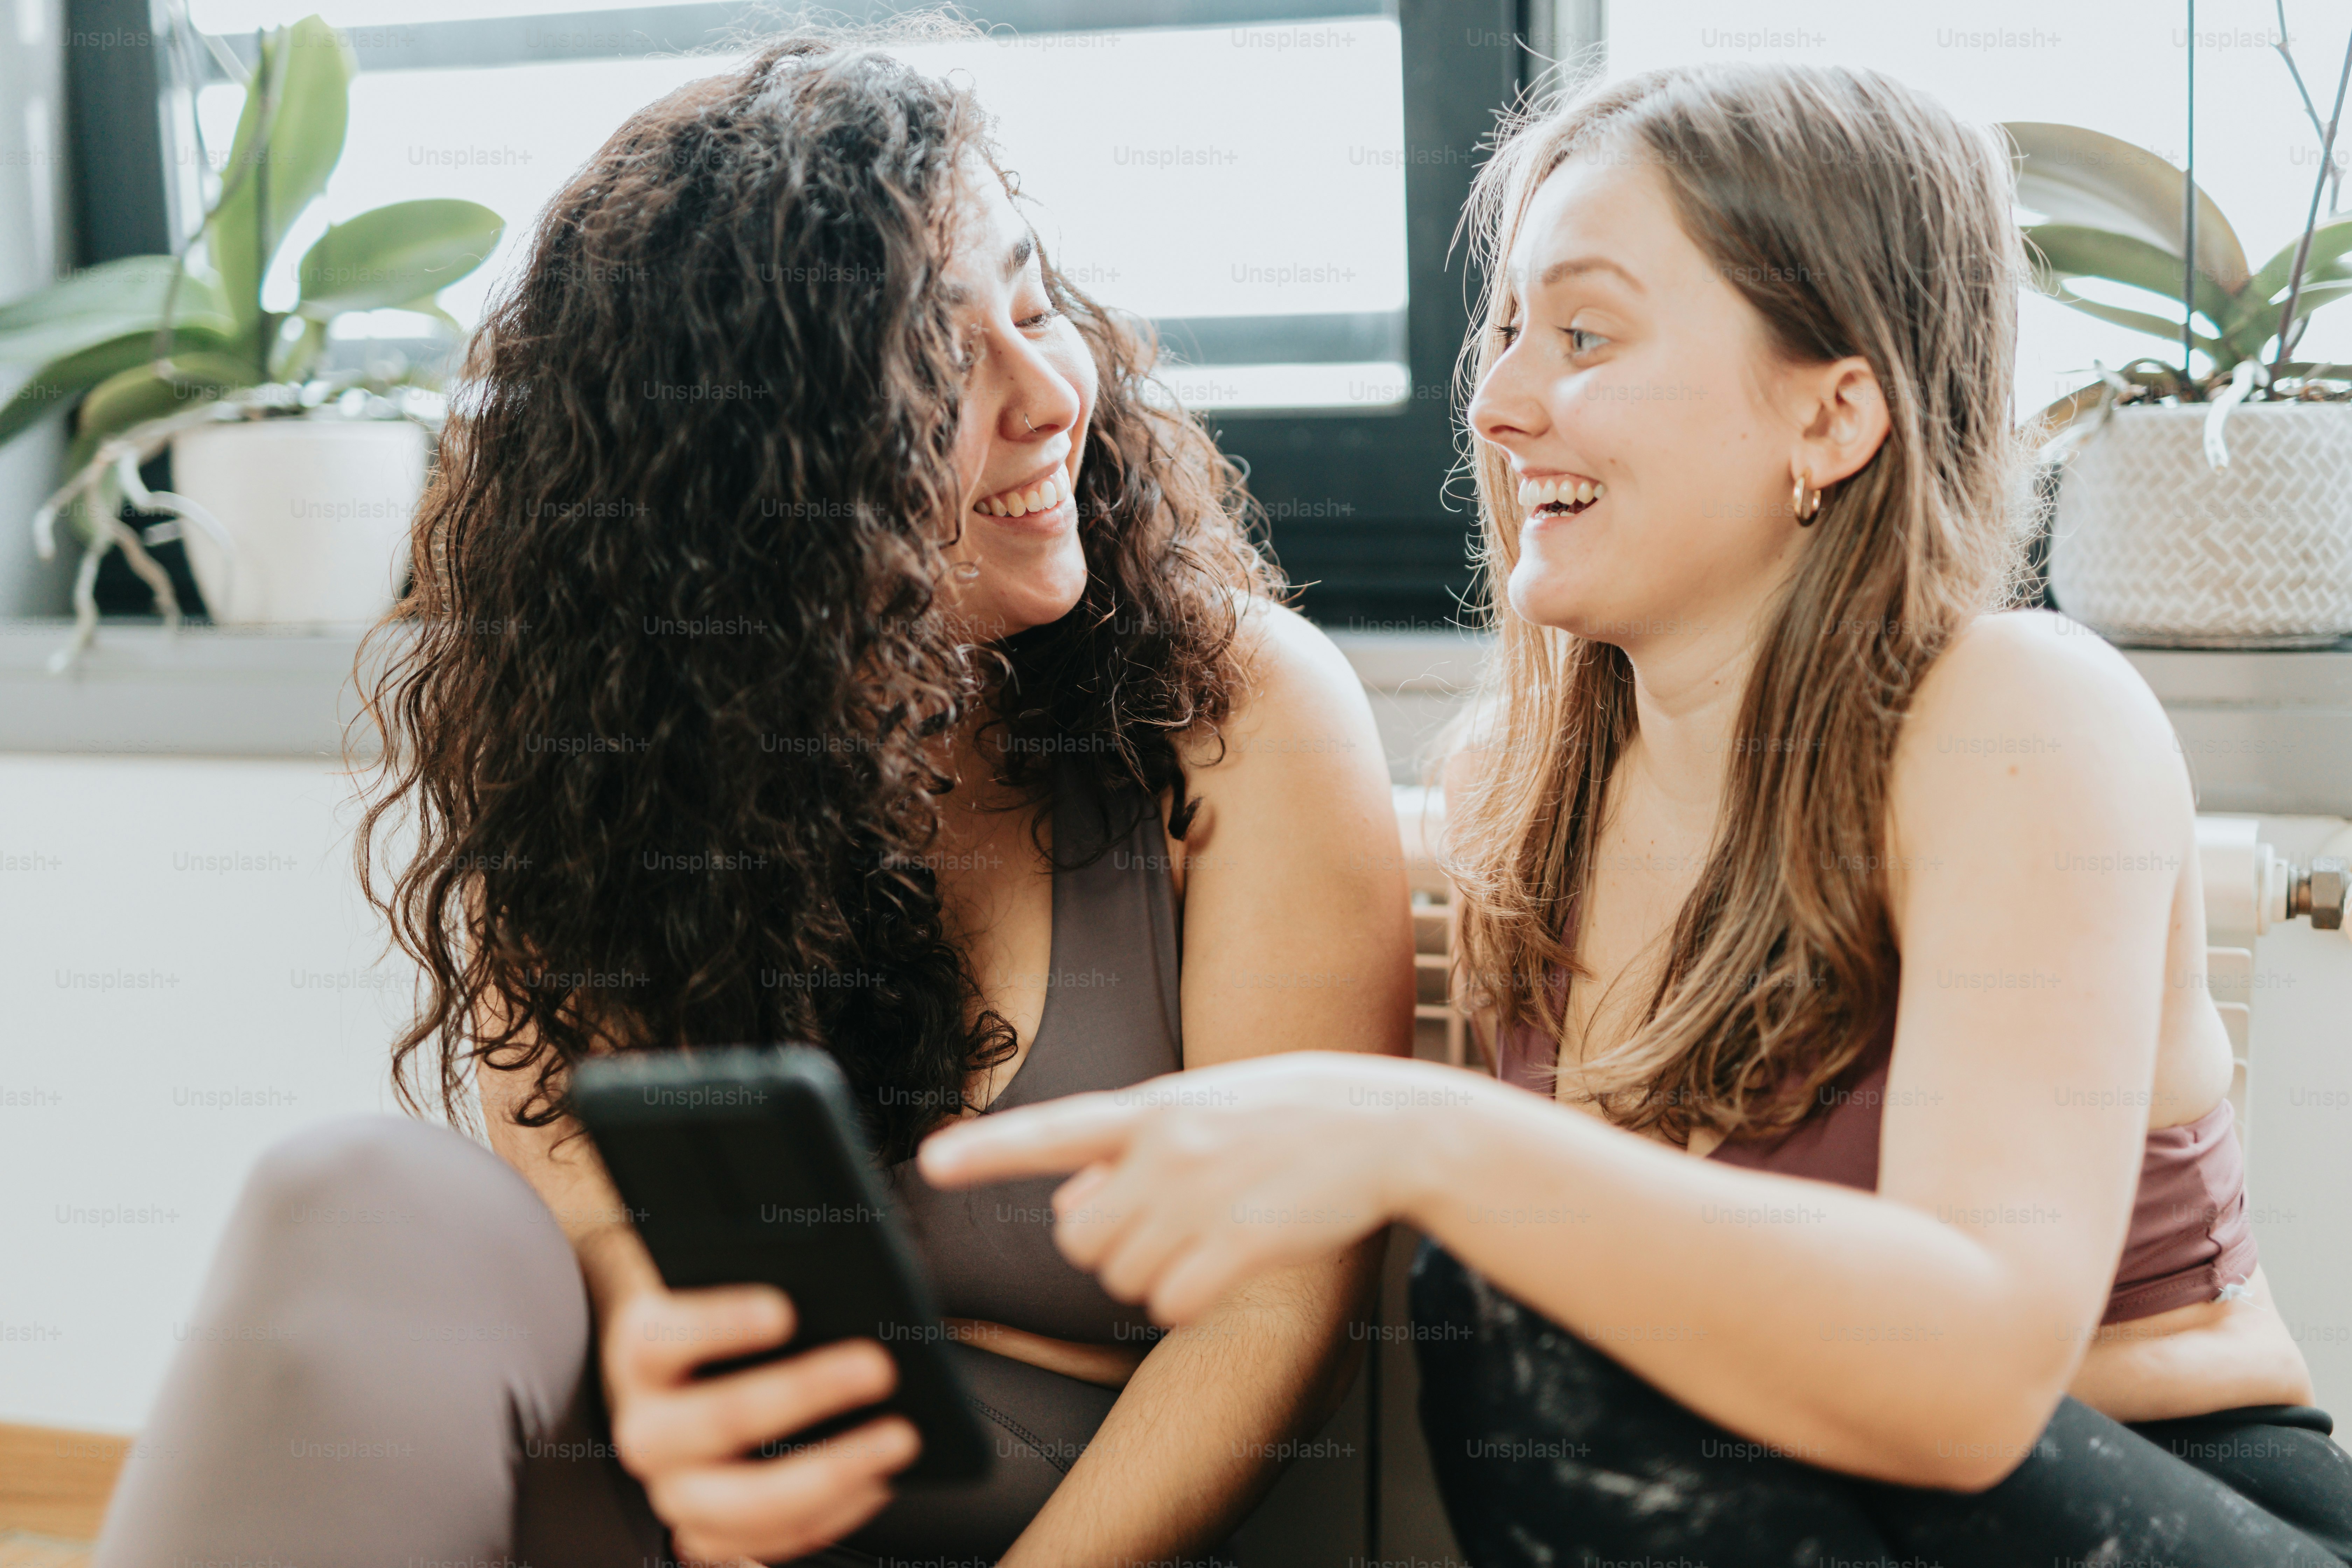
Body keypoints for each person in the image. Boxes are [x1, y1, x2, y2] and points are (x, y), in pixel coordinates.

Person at [918, 63, 2352, 1568]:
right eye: (1511, 331)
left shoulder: (2015, 719)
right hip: (1805, 1516)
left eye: (1586, 335)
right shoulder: (1519, 793)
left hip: (2156, 1504)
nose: (1499, 400)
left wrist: (1424, 1132)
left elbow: (1975, 1382)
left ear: (1836, 411)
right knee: (1523, 1309)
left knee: (1520, 1285)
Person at [92, 30, 1410, 1568]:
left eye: (1038, 304)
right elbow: (590, 1209)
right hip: (693, 1524)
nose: (1053, 394)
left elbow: (1277, 1298)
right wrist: (660, 1352)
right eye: (940, 367)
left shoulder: (1238, 708)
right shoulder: (604, 750)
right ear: (757, 480)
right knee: (359, 1186)